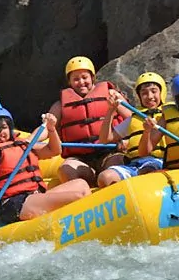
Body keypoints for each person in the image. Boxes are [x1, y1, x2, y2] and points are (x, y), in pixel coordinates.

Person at [0, 107, 90, 230]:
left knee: (82, 185)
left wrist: (51, 129)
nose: (1, 132)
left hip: (35, 196)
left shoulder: (24, 146)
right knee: (78, 196)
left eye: (4, 127)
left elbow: (54, 150)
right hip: (13, 205)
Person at [47, 56, 132, 185]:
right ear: (69, 82)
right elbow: (46, 127)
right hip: (81, 159)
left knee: (114, 168)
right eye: (75, 79)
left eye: (84, 77)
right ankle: (84, 195)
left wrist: (127, 140)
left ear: (92, 78)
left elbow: (133, 120)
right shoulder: (59, 105)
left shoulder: (111, 95)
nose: (81, 82)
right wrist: (29, 140)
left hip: (110, 151)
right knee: (65, 170)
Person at [97, 72, 168, 187]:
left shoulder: (168, 116)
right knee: (105, 177)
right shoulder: (133, 119)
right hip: (133, 164)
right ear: (139, 97)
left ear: (162, 93)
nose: (149, 96)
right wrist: (110, 111)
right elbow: (105, 139)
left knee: (147, 171)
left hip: (158, 162)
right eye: (144, 93)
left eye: (154, 91)